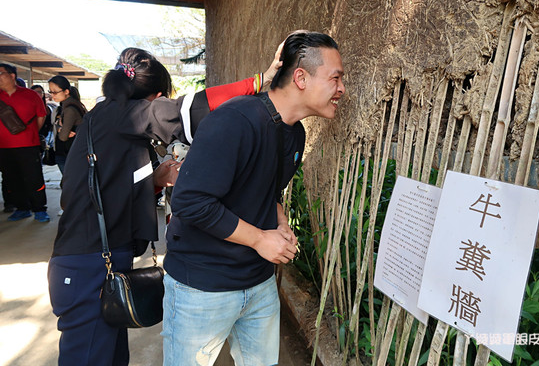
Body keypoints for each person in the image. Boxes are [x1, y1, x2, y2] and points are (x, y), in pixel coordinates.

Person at [47, 46, 282, 366]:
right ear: (155, 98)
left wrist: (155, 179)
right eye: (162, 101)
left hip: (94, 259)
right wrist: (259, 82)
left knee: (109, 356)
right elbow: (192, 109)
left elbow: (105, 188)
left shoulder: (106, 121)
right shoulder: (124, 114)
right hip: (87, 265)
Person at [162, 30, 345, 365]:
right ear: (301, 77)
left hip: (258, 284)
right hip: (202, 286)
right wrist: (261, 238)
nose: (342, 89)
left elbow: (267, 191)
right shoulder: (235, 120)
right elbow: (191, 201)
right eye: (335, 78)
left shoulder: (294, 134)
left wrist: (279, 221)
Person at [0, 63, 50, 222]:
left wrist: (30, 133)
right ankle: (22, 208)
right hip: (3, 147)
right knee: (11, 179)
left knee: (34, 177)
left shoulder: (30, 95)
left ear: (12, 75)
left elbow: (41, 116)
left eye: (0, 74)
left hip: (28, 145)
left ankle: (40, 209)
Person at [47, 76, 87, 174]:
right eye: (50, 92)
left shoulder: (69, 109)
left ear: (66, 91)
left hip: (68, 153)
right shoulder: (71, 105)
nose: (52, 95)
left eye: (55, 92)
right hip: (72, 152)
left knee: (69, 185)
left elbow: (63, 137)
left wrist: (60, 129)